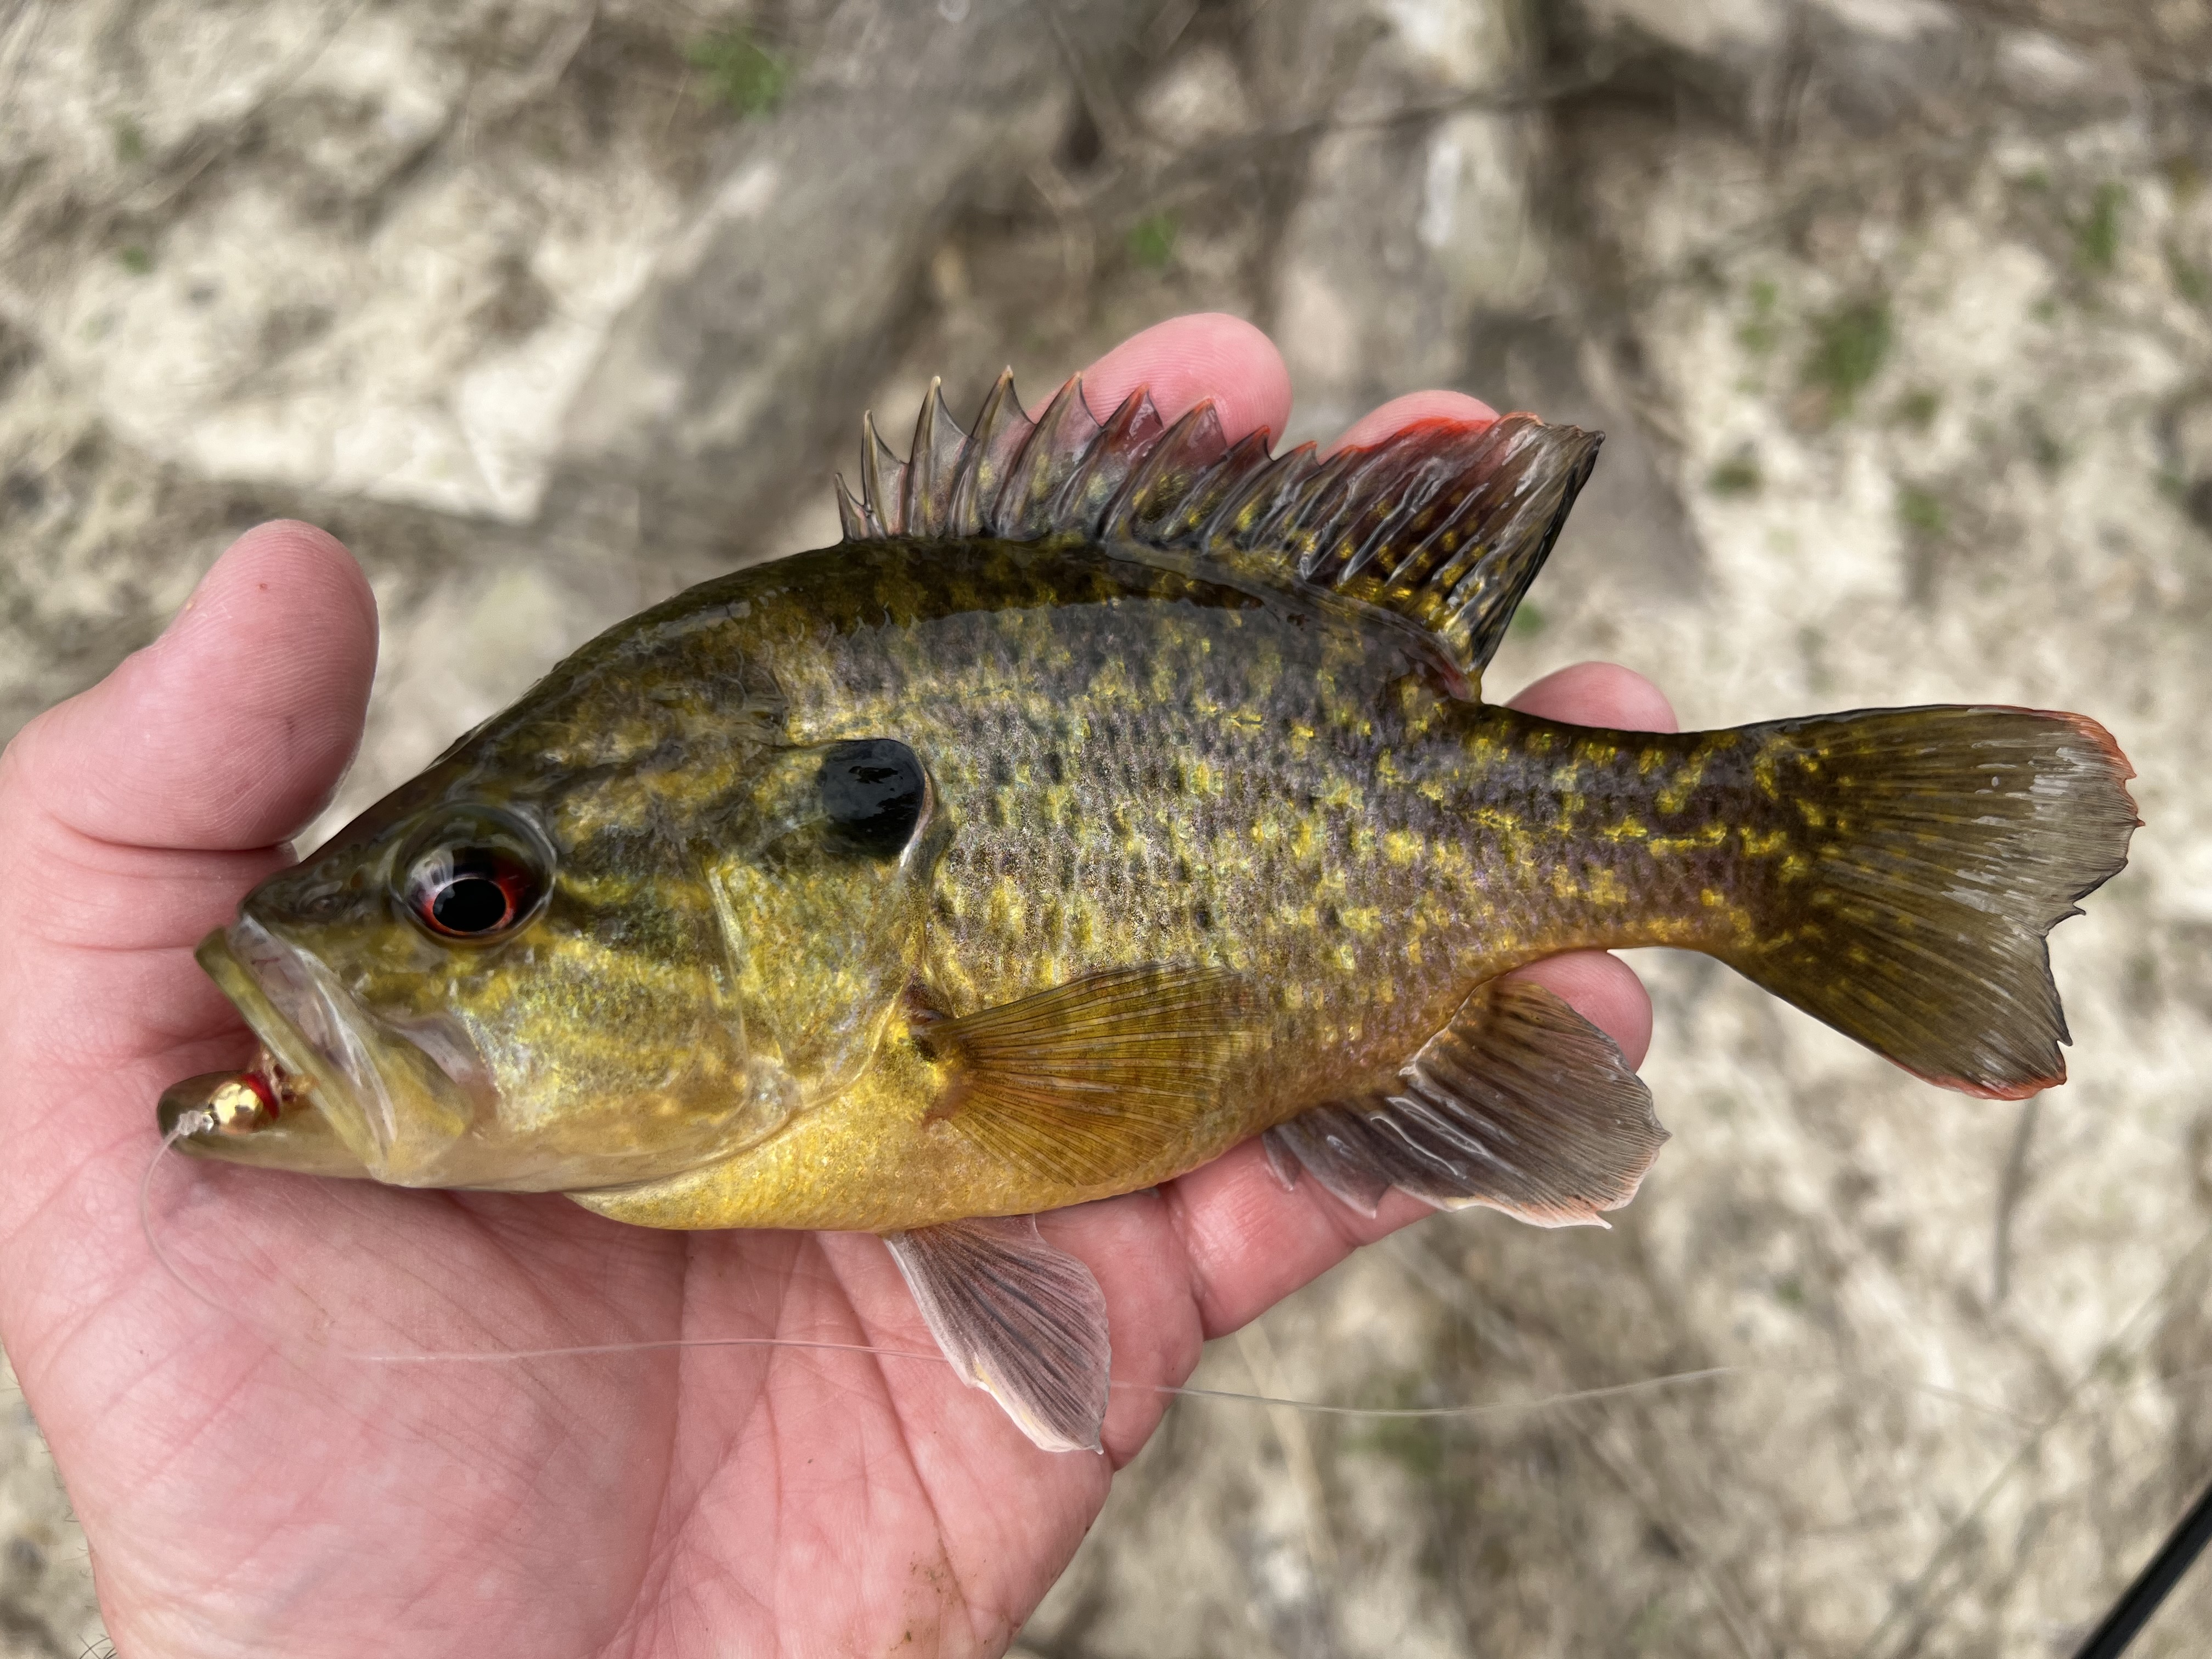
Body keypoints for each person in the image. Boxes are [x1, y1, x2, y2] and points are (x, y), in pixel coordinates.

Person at [0, 315, 1673, 1657]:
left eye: (475, 902)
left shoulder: (867, 1075)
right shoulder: (809, 1098)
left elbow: (1094, 1072)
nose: (432, 946)